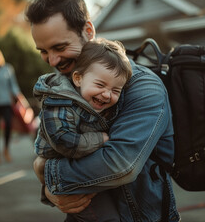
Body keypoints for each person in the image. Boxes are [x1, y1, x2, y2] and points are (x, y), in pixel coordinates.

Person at [26, 0, 180, 222]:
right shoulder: (67, 83)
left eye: (59, 47)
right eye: (44, 51)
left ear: (88, 31)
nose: (53, 61)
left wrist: (46, 173)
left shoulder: (145, 87)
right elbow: (51, 140)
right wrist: (50, 184)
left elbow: (120, 164)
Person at [33, 38, 132, 221]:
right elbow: (64, 140)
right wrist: (100, 139)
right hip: (65, 170)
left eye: (116, 90)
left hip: (81, 170)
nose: (107, 94)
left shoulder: (95, 101)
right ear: (78, 79)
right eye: (100, 85)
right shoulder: (60, 101)